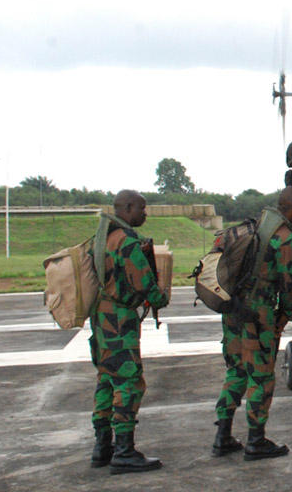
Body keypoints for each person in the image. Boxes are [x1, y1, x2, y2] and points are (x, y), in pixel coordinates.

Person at [212, 186, 292, 460]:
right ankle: (256, 440)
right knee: (261, 376)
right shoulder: (285, 238)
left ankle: (223, 435)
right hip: (258, 314)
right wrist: (283, 316)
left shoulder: (249, 228)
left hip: (232, 310)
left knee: (236, 371)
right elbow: (288, 286)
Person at [89, 189, 169, 474]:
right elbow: (144, 282)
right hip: (120, 319)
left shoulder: (103, 238)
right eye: (142, 209)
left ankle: (103, 447)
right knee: (129, 382)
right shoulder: (126, 241)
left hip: (101, 316)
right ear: (128, 207)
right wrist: (161, 298)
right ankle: (124, 452)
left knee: (106, 380)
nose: (145, 214)